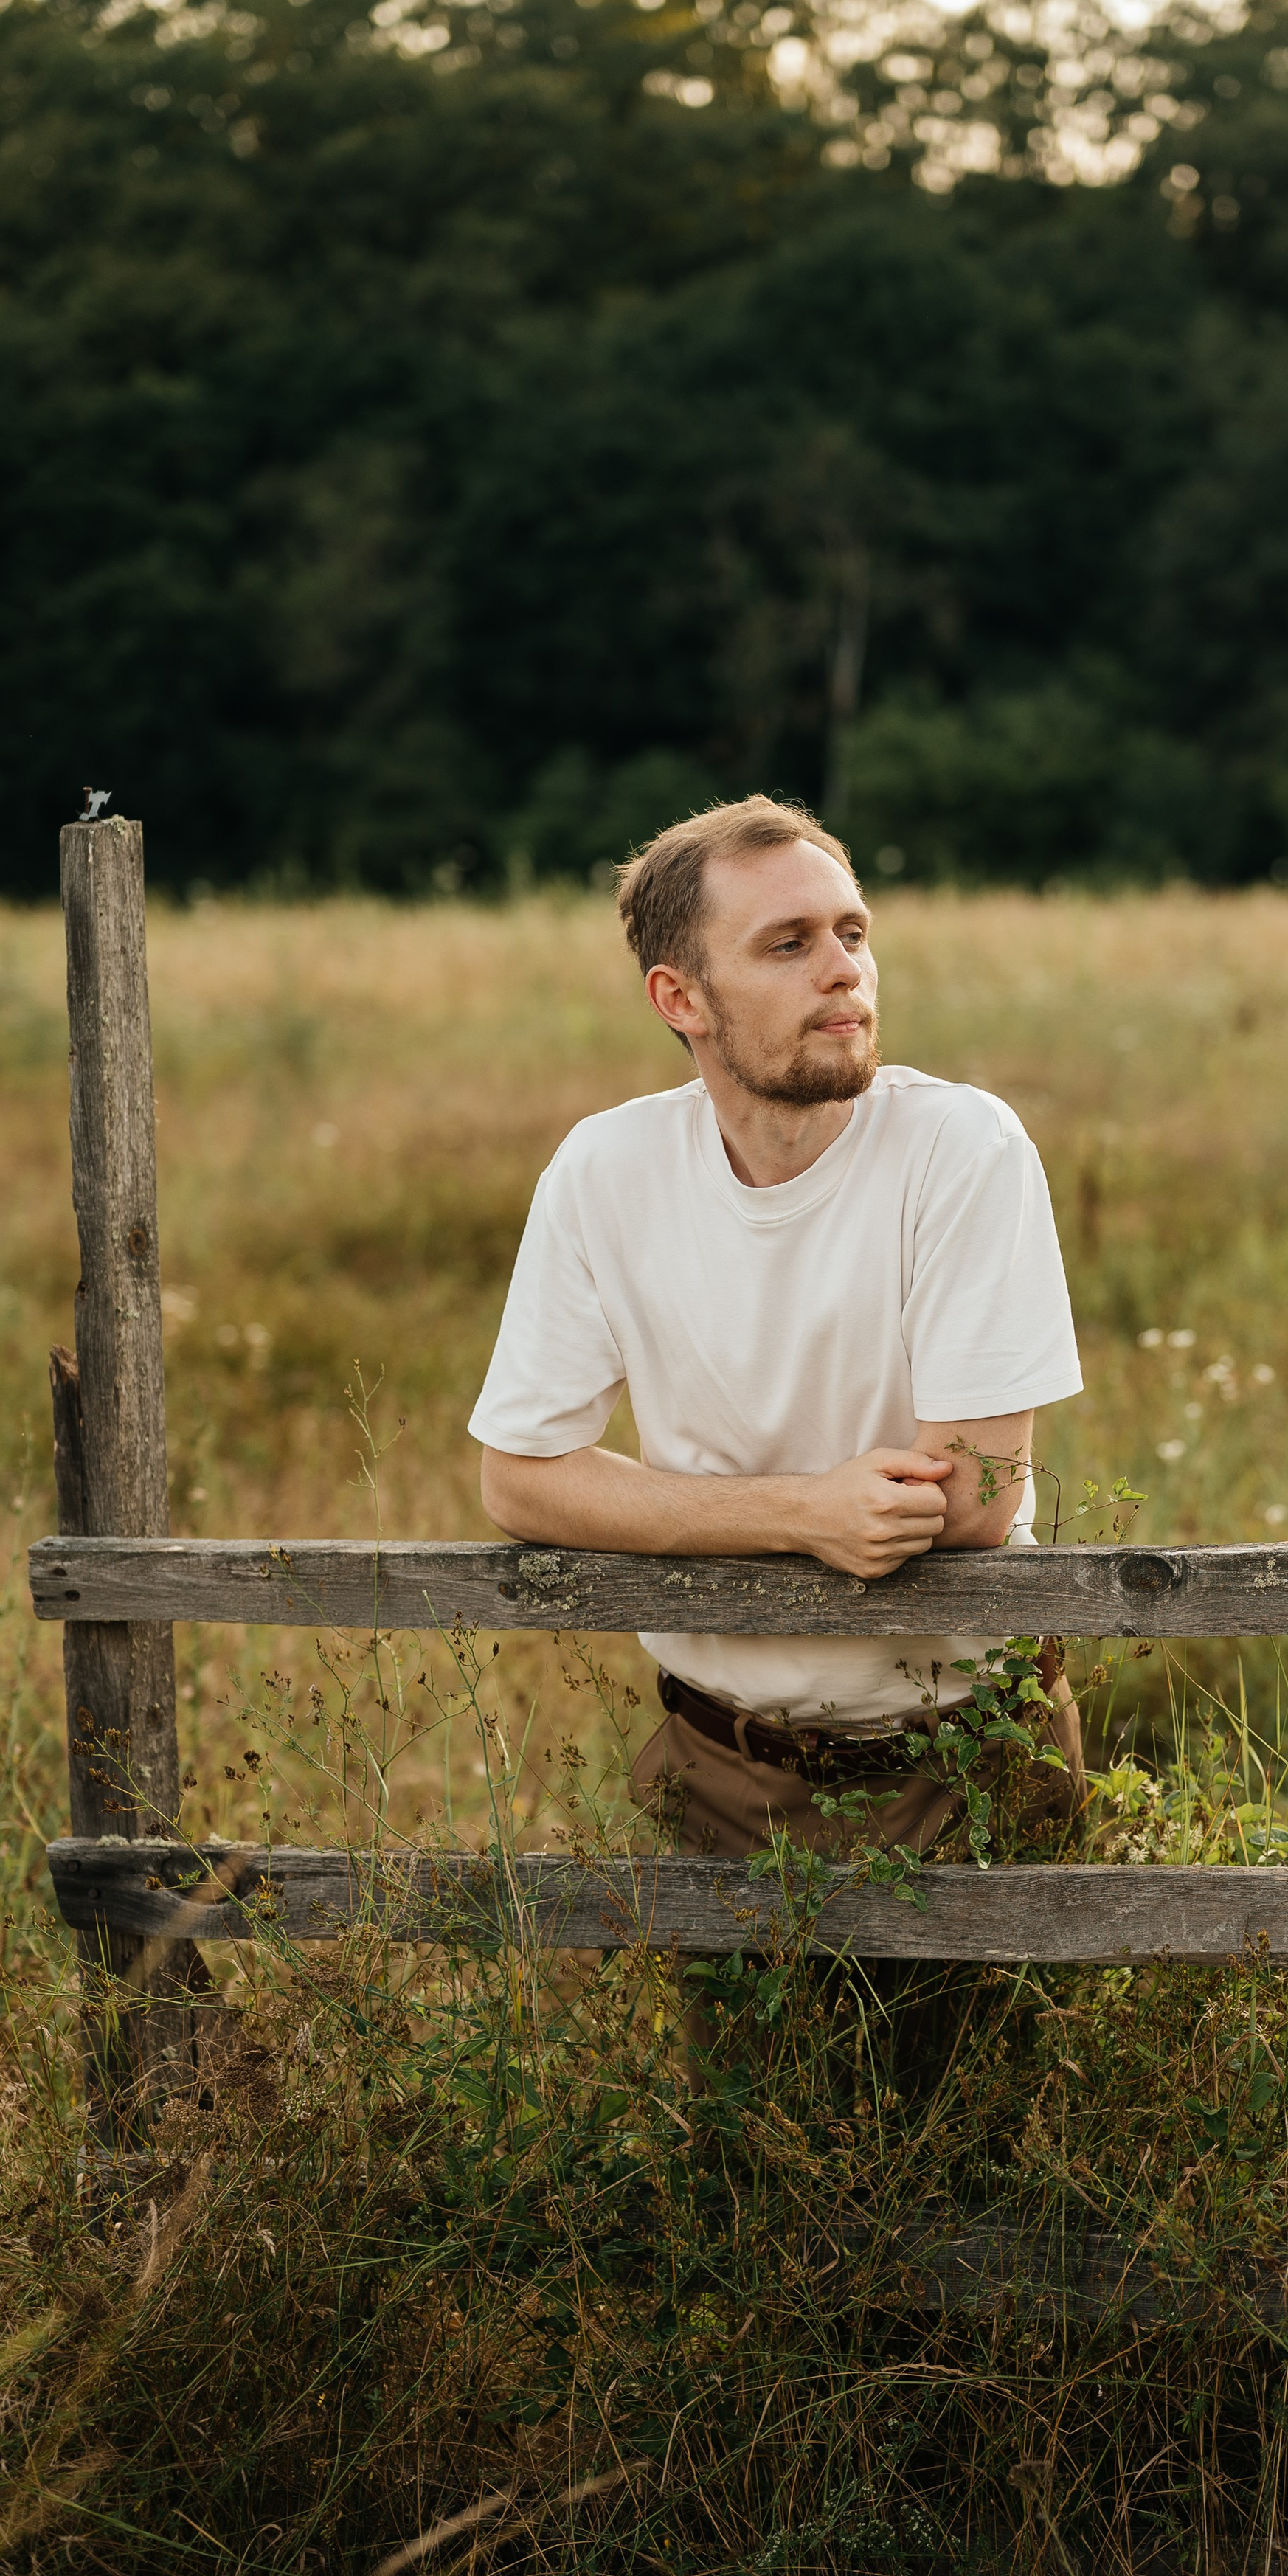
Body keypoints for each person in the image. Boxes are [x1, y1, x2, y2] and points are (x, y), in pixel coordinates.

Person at [470, 794, 1085, 1862]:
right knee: (742, 2040)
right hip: (719, 1772)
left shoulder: (961, 1148)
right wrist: (805, 1512)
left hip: (973, 1756)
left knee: (996, 2038)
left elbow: (980, 1496)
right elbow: (520, 1477)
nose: (843, 969)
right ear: (681, 997)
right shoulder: (607, 1172)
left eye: (853, 934)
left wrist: (685, 1504)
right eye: (788, 945)